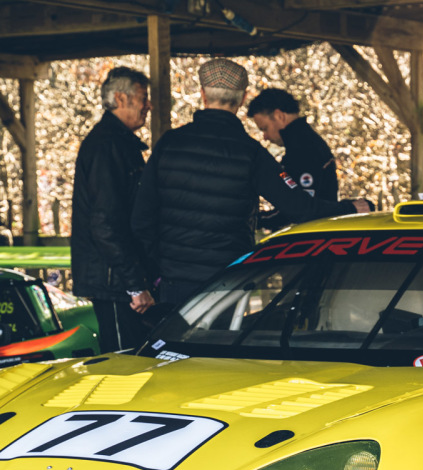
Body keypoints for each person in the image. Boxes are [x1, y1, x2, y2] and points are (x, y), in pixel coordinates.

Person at [131, 58, 370, 306]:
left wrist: (155, 271)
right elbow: (301, 208)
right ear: (243, 98)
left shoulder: (169, 144)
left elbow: (141, 220)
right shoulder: (251, 153)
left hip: (174, 282)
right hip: (227, 283)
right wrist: (351, 208)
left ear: (202, 95)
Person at [70, 66, 154, 352]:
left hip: (120, 280)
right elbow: (106, 222)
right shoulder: (107, 146)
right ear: (120, 98)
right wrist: (134, 284)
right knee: (125, 364)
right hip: (115, 283)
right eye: (143, 97)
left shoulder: (119, 144)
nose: (149, 106)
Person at [246, 88, 338, 230]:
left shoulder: (303, 149)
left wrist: (252, 220)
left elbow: (299, 210)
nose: (265, 137)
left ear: (279, 116)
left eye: (264, 128)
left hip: (312, 236)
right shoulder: (307, 142)